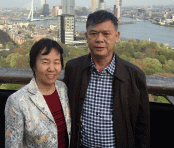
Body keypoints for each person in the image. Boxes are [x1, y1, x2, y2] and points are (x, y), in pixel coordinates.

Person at [63, 10, 150, 148]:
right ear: (86, 36)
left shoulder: (134, 76)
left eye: (106, 34)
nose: (99, 39)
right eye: (93, 34)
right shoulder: (73, 69)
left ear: (117, 36)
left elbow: (142, 125)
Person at [5, 38, 71, 148]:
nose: (51, 68)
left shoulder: (63, 89)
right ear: (34, 65)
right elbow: (13, 144)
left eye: (56, 62)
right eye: (45, 62)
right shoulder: (17, 101)